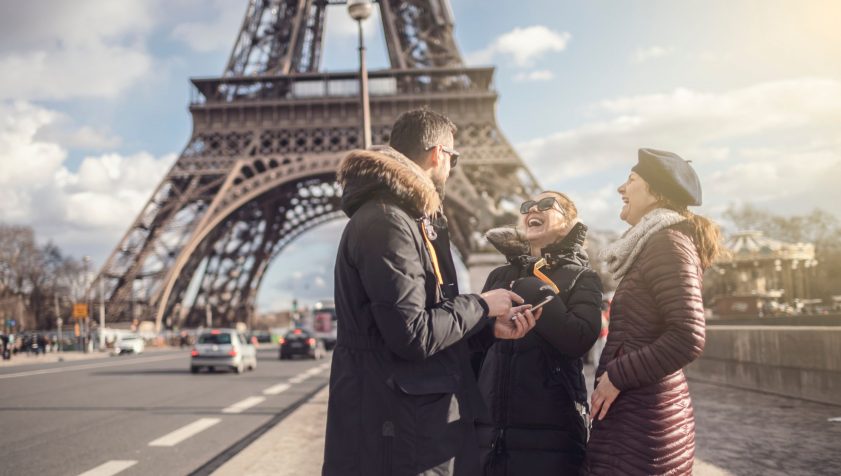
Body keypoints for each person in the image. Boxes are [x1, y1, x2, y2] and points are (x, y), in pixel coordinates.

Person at [323, 109, 541, 476]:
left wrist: (487, 329)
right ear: (438, 153)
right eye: (454, 158)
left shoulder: (406, 219)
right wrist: (482, 305)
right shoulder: (388, 222)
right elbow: (412, 335)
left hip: (405, 422)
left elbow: (421, 324)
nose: (453, 168)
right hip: (397, 431)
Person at [583, 148, 722, 475]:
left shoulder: (667, 243)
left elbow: (688, 335)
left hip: (644, 420)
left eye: (631, 180)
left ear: (657, 192)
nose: (621, 189)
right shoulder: (652, 244)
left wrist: (617, 375)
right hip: (640, 415)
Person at [474, 191, 603, 475]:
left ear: (569, 223)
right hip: (488, 432)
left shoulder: (582, 277)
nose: (534, 208)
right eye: (528, 205)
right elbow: (477, 345)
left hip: (551, 434)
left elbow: (578, 339)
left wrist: (533, 285)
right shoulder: (498, 276)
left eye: (546, 204)